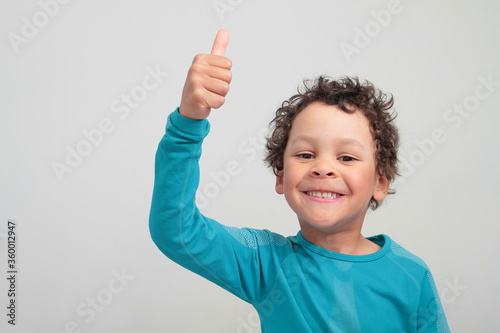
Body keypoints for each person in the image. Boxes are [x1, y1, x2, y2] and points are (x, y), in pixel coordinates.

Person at [149, 29, 450, 332]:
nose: (323, 168)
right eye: (306, 155)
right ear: (281, 176)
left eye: (346, 157)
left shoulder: (411, 274)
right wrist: (188, 121)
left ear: (380, 183)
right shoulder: (266, 263)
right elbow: (176, 230)